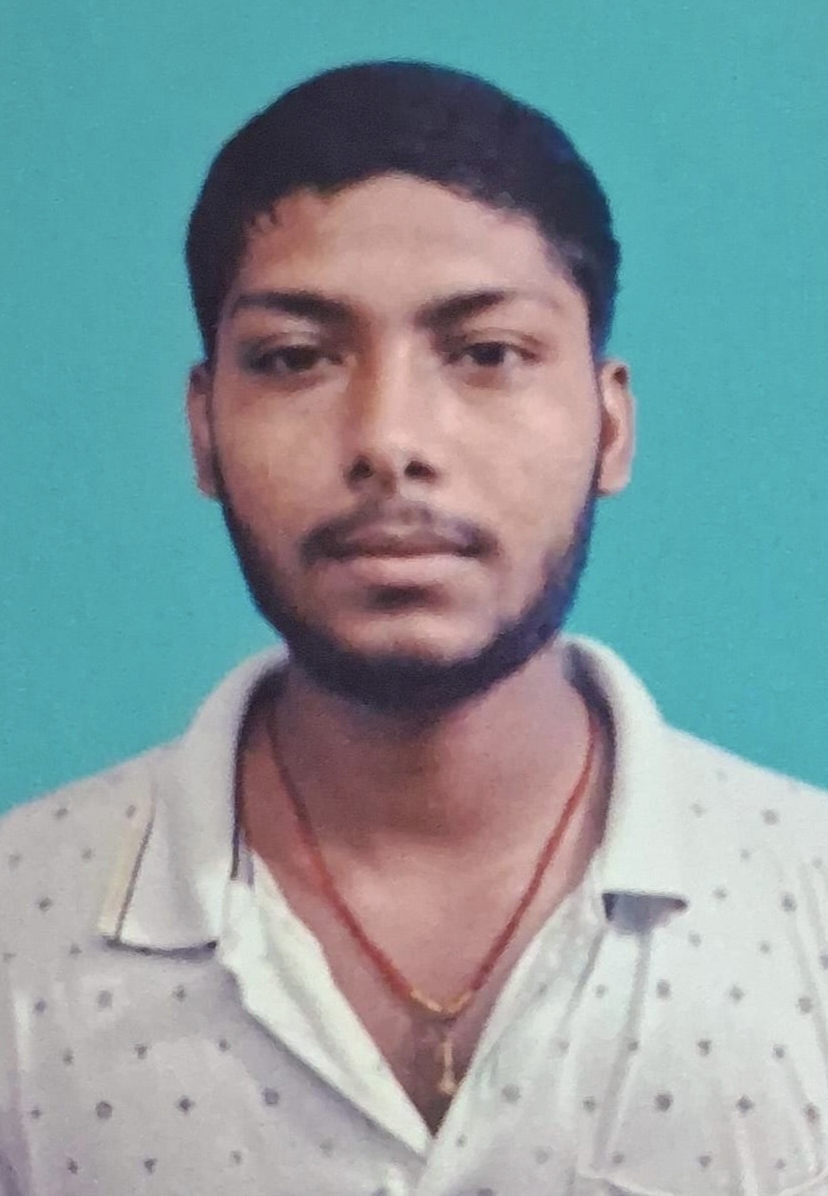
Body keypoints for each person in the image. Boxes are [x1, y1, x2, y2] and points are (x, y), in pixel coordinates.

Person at [1, 59, 826, 1196]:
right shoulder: (19, 925)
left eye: (487, 353)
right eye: (296, 358)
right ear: (203, 430)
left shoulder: (809, 901)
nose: (389, 439)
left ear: (611, 426)